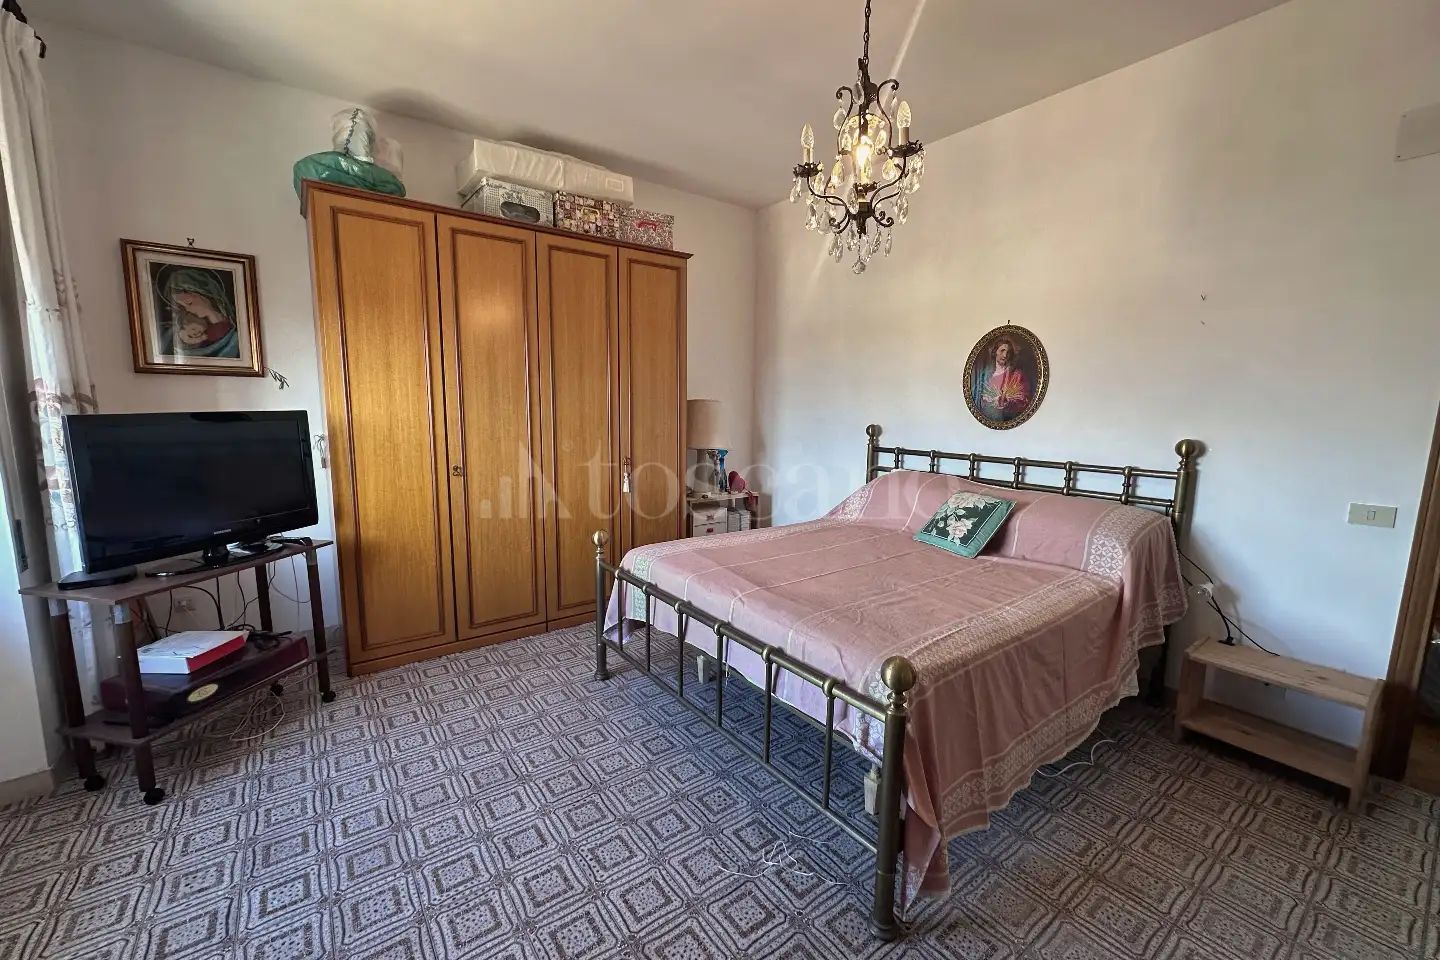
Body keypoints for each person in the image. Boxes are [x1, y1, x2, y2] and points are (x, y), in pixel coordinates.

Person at [157, 267, 240, 359]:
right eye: (182, 306)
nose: (188, 309)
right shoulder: (186, 328)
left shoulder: (236, 331)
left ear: (205, 294)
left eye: (189, 303)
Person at [971, 336, 1031, 422]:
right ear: (995, 352)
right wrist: (986, 400)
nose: (1005, 355)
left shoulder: (1017, 375)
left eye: (1008, 352)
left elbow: (1024, 400)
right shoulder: (985, 376)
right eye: (1002, 350)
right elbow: (976, 398)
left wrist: (1007, 402)